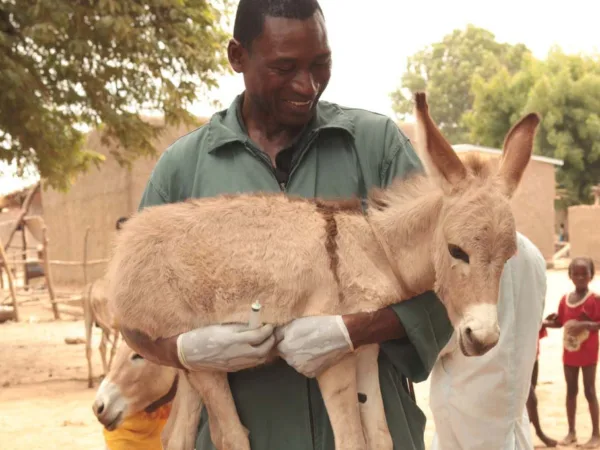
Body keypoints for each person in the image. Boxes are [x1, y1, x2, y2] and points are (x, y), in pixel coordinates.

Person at [119, 1, 454, 449]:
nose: (307, 84)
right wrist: (184, 351)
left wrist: (355, 329)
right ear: (237, 57)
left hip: (370, 432)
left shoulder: (377, 147)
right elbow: (133, 314)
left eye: (321, 64)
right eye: (284, 67)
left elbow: (456, 281)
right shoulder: (185, 169)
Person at [429, 232, 547, 449]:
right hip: (512, 426)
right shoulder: (533, 254)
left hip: (465, 426)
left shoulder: (462, 252)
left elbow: (436, 341)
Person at [544, 257, 600, 448]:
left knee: (590, 390)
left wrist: (584, 324)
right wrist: (544, 322)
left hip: (589, 353)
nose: (580, 277)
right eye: (576, 273)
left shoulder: (595, 299)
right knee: (571, 391)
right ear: (570, 276)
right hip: (570, 353)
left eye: (584, 273)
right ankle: (571, 432)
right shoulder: (565, 300)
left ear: (591, 275)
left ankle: (596, 434)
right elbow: (560, 322)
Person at [526, 326, 557, 447]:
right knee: (531, 398)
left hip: (533, 355)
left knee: (529, 398)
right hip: (522, 356)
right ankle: (539, 433)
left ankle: (528, 433)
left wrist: (544, 322)